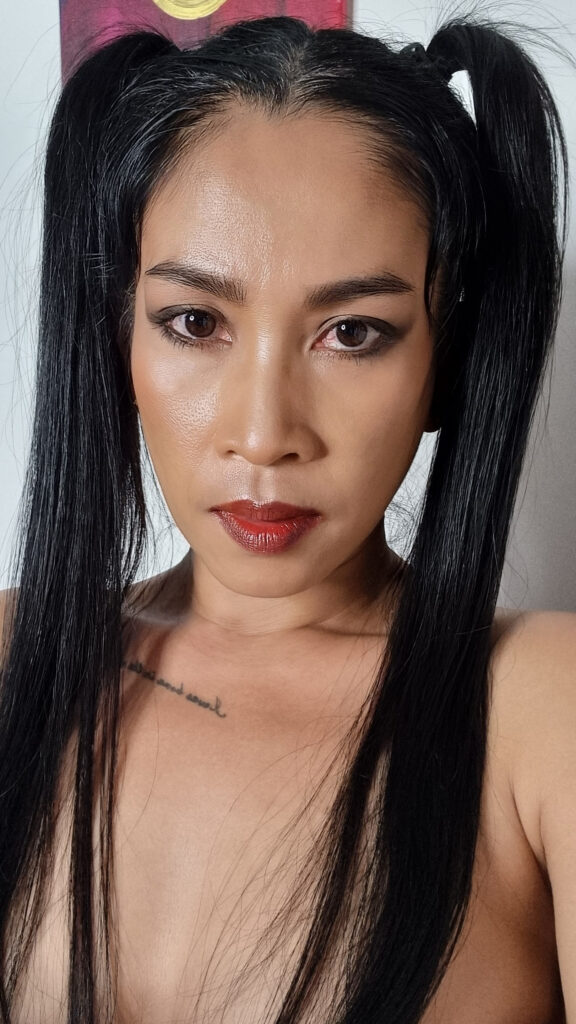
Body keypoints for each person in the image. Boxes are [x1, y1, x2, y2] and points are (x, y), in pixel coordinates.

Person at [0, 12, 574, 1024]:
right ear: (118, 335)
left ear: (445, 360)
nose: (265, 434)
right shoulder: (14, 661)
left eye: (353, 332)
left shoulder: (540, 713)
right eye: (194, 322)